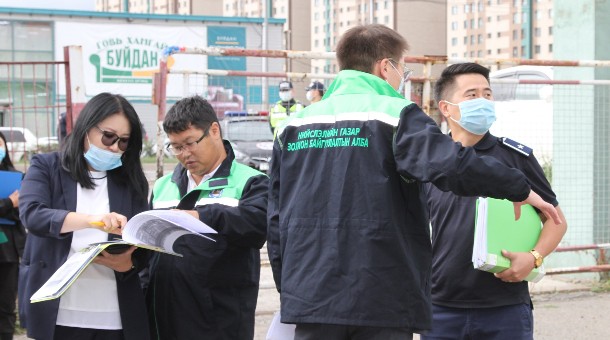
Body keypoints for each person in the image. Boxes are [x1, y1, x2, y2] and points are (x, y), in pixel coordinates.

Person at [267, 24, 561, 340]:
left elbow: (275, 220)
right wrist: (518, 187)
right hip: (381, 295)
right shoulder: (394, 113)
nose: (401, 79)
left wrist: (293, 291)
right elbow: (452, 164)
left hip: (310, 297)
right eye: (402, 70)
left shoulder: (293, 126)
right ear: (385, 67)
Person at [421, 63, 567, 340]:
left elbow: (556, 221)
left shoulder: (516, 158)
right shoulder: (429, 160)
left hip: (505, 306)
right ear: (446, 108)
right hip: (439, 307)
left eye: (488, 95)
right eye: (472, 95)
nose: (484, 102)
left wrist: (534, 258)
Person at [18, 93, 151, 340]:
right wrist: (91, 220)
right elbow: (33, 214)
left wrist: (128, 264)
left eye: (123, 142)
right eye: (108, 136)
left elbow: (142, 244)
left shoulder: (130, 181)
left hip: (114, 313)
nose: (114, 147)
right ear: (87, 127)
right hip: (58, 311)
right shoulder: (47, 166)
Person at [147, 95, 268, 339]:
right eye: (176, 147)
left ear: (214, 130)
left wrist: (201, 217)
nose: (184, 154)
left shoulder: (250, 181)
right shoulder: (162, 186)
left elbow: (256, 225)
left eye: (190, 143)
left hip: (219, 322)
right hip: (163, 320)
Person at [0, 132, 26, 340]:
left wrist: (15, 206)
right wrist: (8, 204)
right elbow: (12, 206)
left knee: (7, 303)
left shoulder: (15, 177)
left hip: (8, 249)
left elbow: (26, 212)